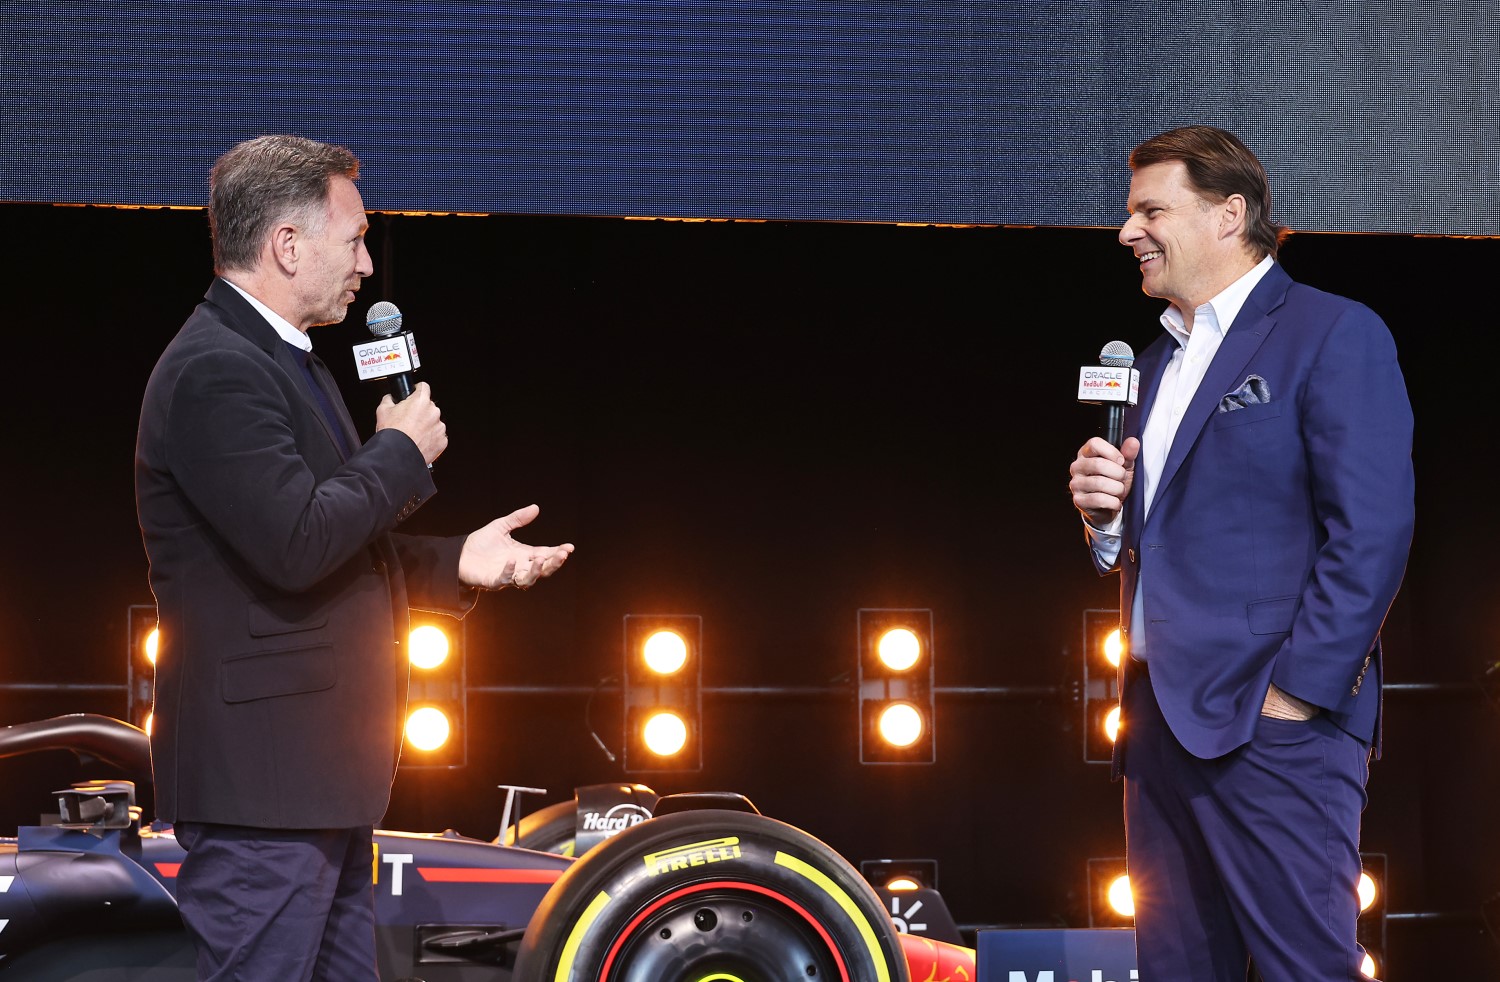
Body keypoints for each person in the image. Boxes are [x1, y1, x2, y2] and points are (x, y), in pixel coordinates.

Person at [135, 134, 575, 981]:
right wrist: (399, 454)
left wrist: (458, 564)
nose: (367, 265)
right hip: (263, 789)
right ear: (287, 245)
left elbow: (339, 544)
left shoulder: (286, 365)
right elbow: (295, 543)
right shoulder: (214, 371)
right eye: (356, 238)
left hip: (316, 784)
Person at [1066, 126, 1414, 981]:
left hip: (1272, 724)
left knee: (1307, 970)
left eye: (1151, 209)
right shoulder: (1149, 362)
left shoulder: (1332, 332)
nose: (1127, 232)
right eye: (1128, 212)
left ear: (1230, 214)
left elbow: (1372, 531)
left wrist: (1295, 696)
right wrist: (1102, 519)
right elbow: (1155, 544)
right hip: (1156, 729)